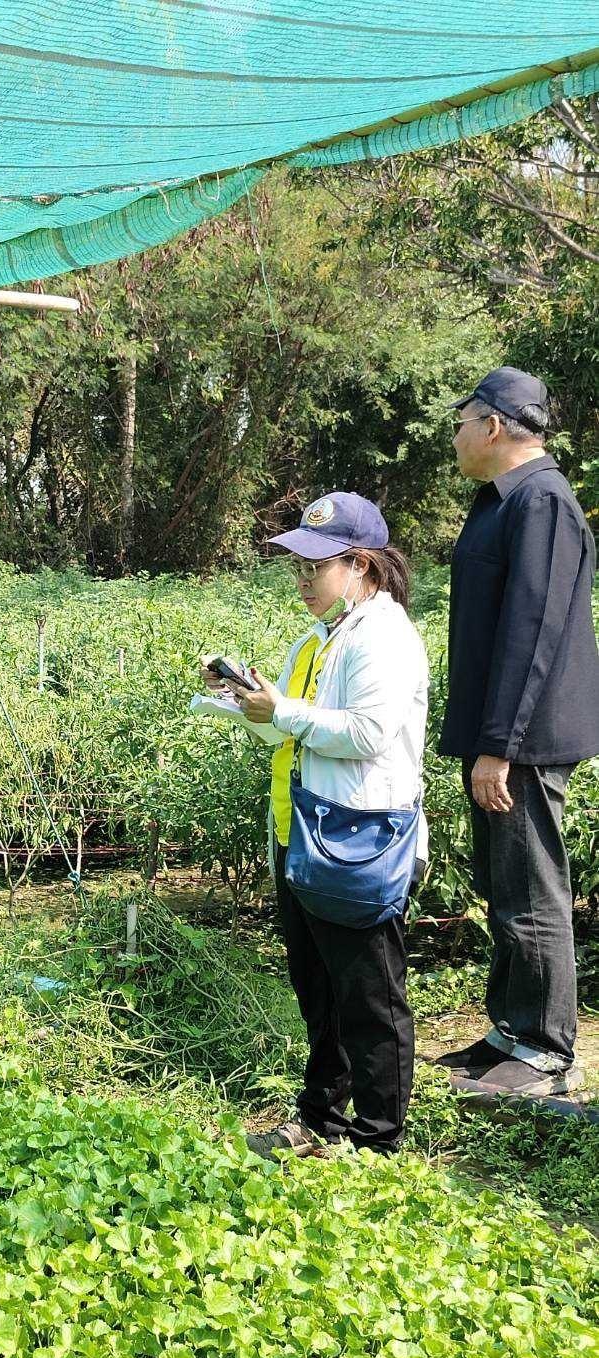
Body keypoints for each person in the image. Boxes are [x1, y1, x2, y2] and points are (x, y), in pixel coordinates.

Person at [192, 492, 428, 1156]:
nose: (301, 580)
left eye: (314, 567)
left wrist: (284, 713)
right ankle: (321, 1121)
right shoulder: (322, 638)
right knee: (321, 993)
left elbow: (366, 733)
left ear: (360, 565)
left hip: (359, 842)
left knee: (371, 1002)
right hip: (305, 837)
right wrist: (241, 703)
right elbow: (290, 728)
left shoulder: (384, 636)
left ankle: (379, 1144)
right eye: (296, 566)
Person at [436, 368, 599, 1099]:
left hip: (523, 742)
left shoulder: (543, 503)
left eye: (464, 418)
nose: (458, 433)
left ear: (495, 426)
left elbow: (533, 633)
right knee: (504, 888)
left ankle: (542, 1049)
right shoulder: (501, 503)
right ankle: (510, 1029)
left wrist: (500, 744)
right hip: (499, 738)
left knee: (533, 889)